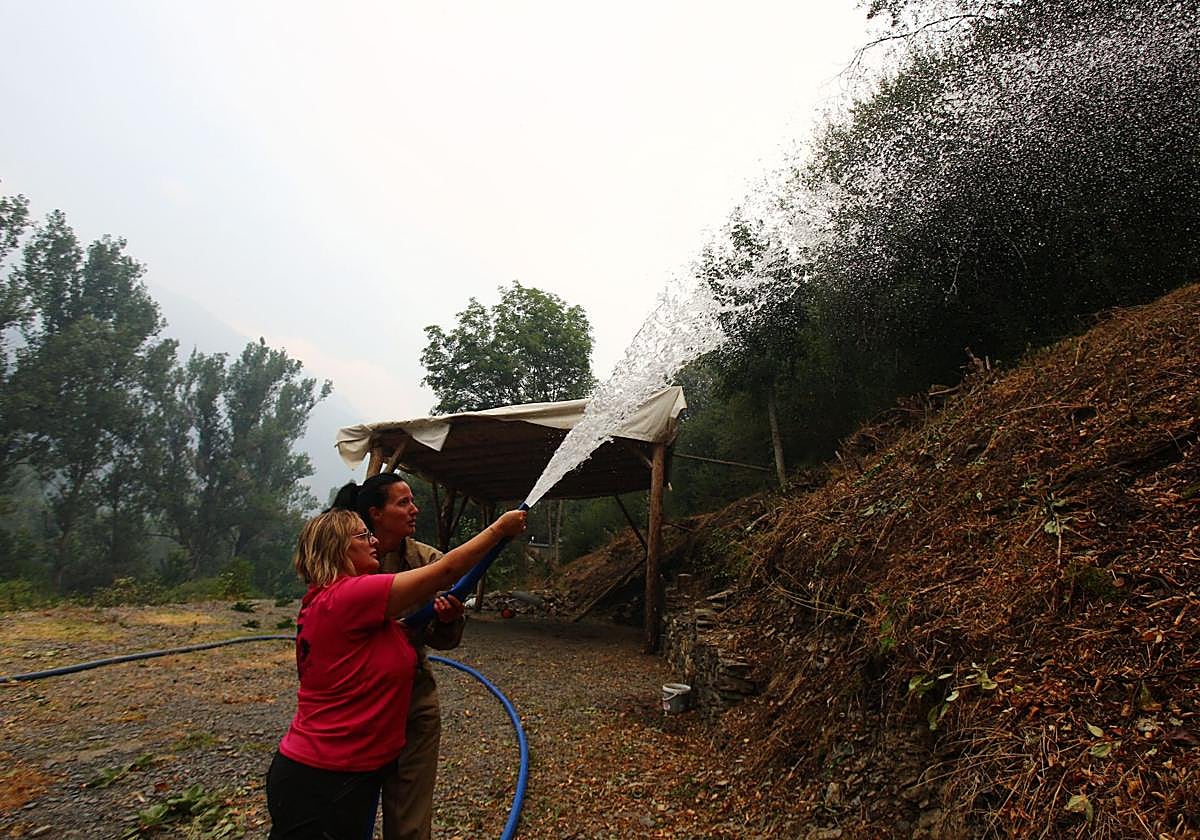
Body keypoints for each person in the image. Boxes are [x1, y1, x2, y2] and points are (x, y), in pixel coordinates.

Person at [265, 504, 526, 839]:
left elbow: (398, 632)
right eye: (363, 535)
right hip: (323, 781)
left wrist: (440, 616)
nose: (374, 541)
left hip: (339, 777)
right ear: (339, 548)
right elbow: (445, 572)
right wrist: (499, 530)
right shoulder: (350, 595)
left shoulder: (337, 602)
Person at [330, 474, 461, 840]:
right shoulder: (345, 564)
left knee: (409, 823)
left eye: (412, 501)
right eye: (403, 503)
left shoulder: (426, 560)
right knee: (346, 815)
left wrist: (448, 619)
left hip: (412, 703)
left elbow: (443, 638)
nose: (414, 509)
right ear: (376, 513)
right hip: (358, 708)